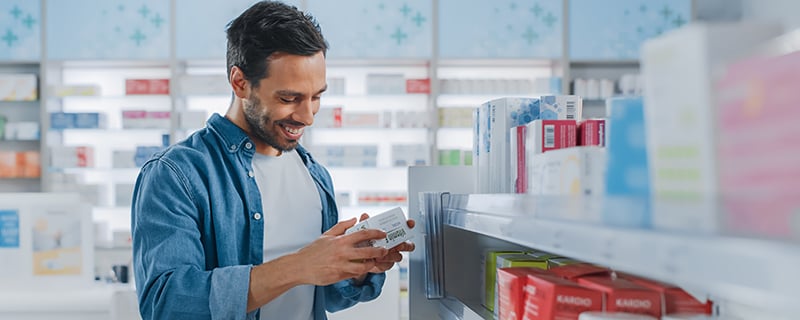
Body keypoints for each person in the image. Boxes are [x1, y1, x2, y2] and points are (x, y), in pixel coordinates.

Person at [130, 2, 415, 319]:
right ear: (240, 83)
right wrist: (299, 265)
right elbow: (167, 304)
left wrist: (355, 267)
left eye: (316, 96)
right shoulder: (175, 174)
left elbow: (322, 296)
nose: (307, 116)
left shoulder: (315, 175)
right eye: (289, 98)